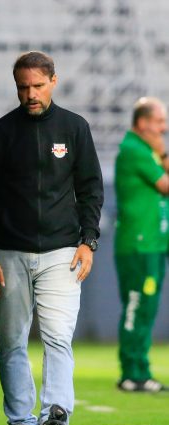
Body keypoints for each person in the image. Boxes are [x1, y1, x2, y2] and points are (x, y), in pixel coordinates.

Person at [0, 51, 103, 425]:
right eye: (23, 87)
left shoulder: (75, 128)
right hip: (9, 254)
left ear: (53, 82)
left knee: (58, 337)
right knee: (11, 339)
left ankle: (56, 413)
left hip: (63, 252)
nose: (30, 94)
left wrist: (88, 240)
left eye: (37, 86)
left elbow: (91, 190)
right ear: (16, 86)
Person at [114, 97, 169, 393]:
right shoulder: (134, 150)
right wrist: (164, 154)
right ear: (143, 123)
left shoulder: (146, 150)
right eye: (160, 122)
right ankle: (131, 373)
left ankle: (140, 369)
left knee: (146, 308)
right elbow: (165, 185)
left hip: (153, 244)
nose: (164, 128)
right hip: (138, 245)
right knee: (137, 306)